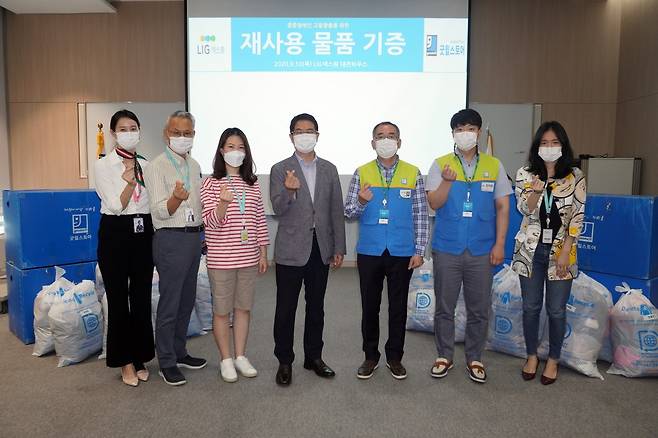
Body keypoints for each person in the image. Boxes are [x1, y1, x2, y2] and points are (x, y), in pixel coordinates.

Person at [426, 108, 512, 383]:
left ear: (478, 132)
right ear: (453, 133)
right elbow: (434, 203)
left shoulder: (493, 165)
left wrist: (500, 244)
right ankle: (444, 356)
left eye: (471, 128)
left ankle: (475, 357)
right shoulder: (440, 165)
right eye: (460, 128)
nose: (466, 133)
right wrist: (448, 183)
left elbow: (503, 207)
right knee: (444, 306)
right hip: (447, 248)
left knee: (479, 308)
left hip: (482, 248)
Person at [345, 121, 428, 380]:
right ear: (372, 143)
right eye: (380, 136)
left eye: (391, 136)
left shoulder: (413, 172)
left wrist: (420, 249)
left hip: (402, 251)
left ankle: (394, 356)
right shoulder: (362, 172)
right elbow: (348, 212)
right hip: (370, 251)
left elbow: (421, 215)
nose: (386, 140)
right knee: (370, 306)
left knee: (398, 307)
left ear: (399, 142)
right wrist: (360, 200)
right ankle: (370, 356)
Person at [270, 113, 346, 386]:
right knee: (285, 308)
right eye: (299, 131)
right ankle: (285, 361)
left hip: (320, 247)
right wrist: (290, 192)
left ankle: (314, 356)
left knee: (316, 307)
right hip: (291, 247)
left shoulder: (329, 168)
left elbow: (335, 209)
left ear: (317, 134)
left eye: (310, 130)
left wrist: (339, 246)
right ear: (291, 136)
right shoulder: (281, 168)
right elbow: (278, 208)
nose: (305, 135)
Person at [512, 121, 586, 385]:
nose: (549, 148)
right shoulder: (525, 173)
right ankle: (532, 355)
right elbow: (524, 209)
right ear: (537, 146)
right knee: (531, 307)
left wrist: (567, 250)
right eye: (544, 143)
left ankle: (553, 359)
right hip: (530, 250)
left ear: (563, 146)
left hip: (561, 252)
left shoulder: (575, 175)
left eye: (555, 143)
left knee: (556, 310)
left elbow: (577, 216)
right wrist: (535, 191)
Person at [200, 128, 269, 383]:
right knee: (221, 311)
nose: (235, 152)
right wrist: (223, 204)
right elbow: (210, 223)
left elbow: (259, 220)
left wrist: (263, 252)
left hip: (249, 258)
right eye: (230, 147)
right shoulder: (210, 183)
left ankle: (241, 356)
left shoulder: (252, 183)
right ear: (221, 151)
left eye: (240, 147)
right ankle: (226, 360)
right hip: (222, 259)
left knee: (243, 309)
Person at [144, 110, 207, 386]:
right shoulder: (156, 166)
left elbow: (198, 205)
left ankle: (180, 352)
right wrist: (175, 199)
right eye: (177, 132)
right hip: (170, 238)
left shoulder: (194, 165)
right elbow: (158, 213)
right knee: (170, 303)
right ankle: (166, 361)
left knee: (186, 299)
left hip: (193, 238)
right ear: (166, 134)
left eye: (188, 133)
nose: (183, 138)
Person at [94, 109, 154, 387]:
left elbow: (150, 203)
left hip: (143, 231)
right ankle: (124, 361)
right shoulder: (104, 165)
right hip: (115, 232)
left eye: (134, 127)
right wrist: (129, 182)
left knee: (141, 298)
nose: (129, 133)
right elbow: (116, 206)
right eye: (123, 129)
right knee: (118, 300)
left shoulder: (145, 163)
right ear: (114, 134)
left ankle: (141, 356)